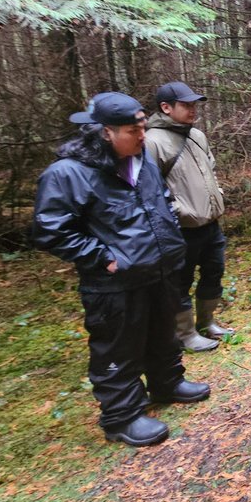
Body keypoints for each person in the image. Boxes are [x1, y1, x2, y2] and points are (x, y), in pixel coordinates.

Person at [31, 92, 209, 447]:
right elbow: (50, 229)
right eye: (133, 130)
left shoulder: (142, 161)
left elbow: (160, 204)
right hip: (113, 282)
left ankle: (167, 383)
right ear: (104, 132)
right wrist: (102, 257)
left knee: (163, 331)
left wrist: (170, 242)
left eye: (142, 127)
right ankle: (122, 417)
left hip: (158, 269)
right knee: (118, 347)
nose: (142, 136)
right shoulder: (68, 173)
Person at [144, 81, 232, 353]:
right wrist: (174, 212)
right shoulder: (152, 142)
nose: (193, 109)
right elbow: (149, 189)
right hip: (180, 228)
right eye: (186, 105)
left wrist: (216, 193)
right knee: (180, 280)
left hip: (210, 222)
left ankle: (207, 322)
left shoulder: (197, 136)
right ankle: (186, 334)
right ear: (166, 107)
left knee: (213, 271)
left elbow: (210, 169)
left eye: (194, 104)